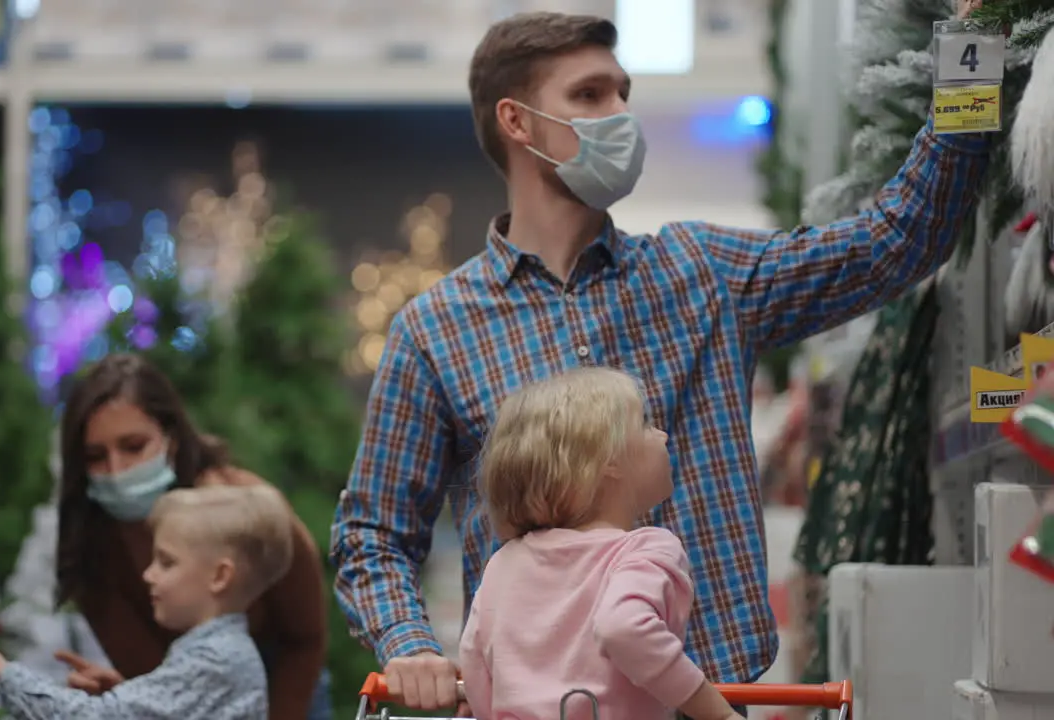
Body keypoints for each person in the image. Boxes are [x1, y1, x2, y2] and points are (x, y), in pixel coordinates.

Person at [330, 6, 990, 711]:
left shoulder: (703, 273)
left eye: (623, 94)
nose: (620, 114)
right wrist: (409, 642)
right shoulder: (437, 331)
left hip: (713, 697)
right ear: (516, 123)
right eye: (589, 95)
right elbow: (373, 533)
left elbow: (897, 243)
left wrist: (972, 53)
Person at [53, 353, 329, 720]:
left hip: (285, 691)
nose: (116, 470)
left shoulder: (247, 512)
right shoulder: (93, 545)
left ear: (172, 438)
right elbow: (161, 684)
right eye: (95, 455)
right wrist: (127, 696)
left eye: (133, 446)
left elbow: (305, 637)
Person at [459, 368, 741, 720]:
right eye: (646, 423)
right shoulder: (645, 549)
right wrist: (720, 714)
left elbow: (474, 660)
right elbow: (624, 626)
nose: (664, 435)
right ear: (608, 460)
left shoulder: (504, 562)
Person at [0, 484, 293, 719]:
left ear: (219, 577)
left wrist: (0, 670)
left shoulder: (217, 659)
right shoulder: (219, 654)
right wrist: (127, 693)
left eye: (167, 562)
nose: (149, 575)